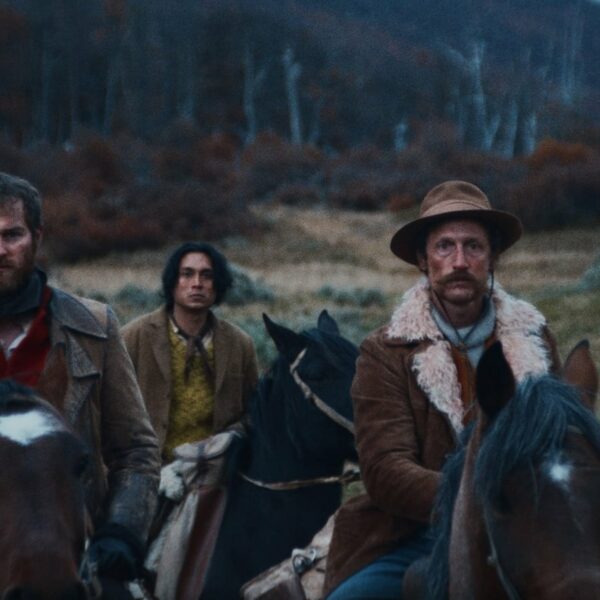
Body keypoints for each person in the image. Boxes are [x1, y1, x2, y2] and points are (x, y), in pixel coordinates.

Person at [323, 180, 561, 599]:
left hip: (526, 528)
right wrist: (479, 500)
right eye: (444, 246)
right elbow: (384, 470)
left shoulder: (534, 339)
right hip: (416, 533)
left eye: (474, 246)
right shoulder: (387, 351)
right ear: (423, 259)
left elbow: (559, 447)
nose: (460, 261)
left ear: (493, 257)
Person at [0, 172, 160, 583]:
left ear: (37, 237)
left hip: (77, 561)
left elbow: (135, 451)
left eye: (12, 235)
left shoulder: (92, 326)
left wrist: (121, 532)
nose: (0, 250)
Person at [121, 241, 259, 462]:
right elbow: (110, 410)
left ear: (217, 283)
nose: (197, 284)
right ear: (172, 281)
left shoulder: (240, 344)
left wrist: (229, 439)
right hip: (148, 466)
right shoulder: (133, 337)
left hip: (218, 468)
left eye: (207, 276)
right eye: (187, 274)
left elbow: (254, 412)